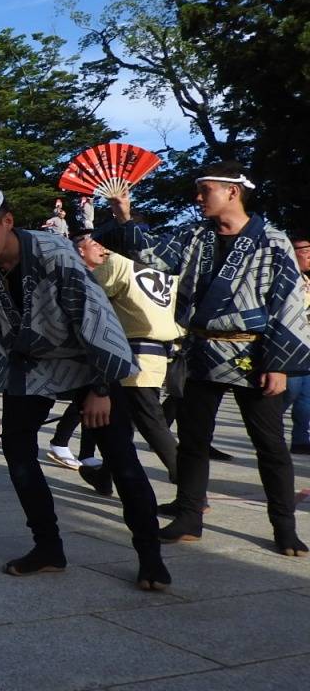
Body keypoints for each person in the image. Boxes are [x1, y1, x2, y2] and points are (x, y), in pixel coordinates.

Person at [0, 184, 169, 590]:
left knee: (120, 458)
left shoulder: (55, 253)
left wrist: (101, 388)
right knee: (17, 453)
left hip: (88, 359)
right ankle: (48, 547)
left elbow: (95, 318)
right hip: (30, 366)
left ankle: (150, 556)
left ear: (8, 222)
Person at [101, 162, 310, 556]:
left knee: (270, 444)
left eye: (205, 190)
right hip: (200, 348)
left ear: (233, 191)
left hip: (255, 352)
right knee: (193, 441)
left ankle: (284, 527)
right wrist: (124, 214)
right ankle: (189, 516)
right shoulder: (194, 234)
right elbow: (152, 258)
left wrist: (280, 362)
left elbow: (288, 305)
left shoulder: (273, 240)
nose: (198, 198)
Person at [73, 233, 182, 494]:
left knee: (151, 423)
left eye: (101, 242)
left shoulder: (118, 264)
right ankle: (104, 474)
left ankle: (190, 488)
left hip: (131, 354)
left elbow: (91, 304)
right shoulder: (165, 275)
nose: (101, 247)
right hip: (158, 353)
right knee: (120, 423)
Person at [286, 230, 310, 454]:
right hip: (291, 347)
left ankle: (301, 440)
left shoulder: (306, 280)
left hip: (307, 347)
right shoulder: (286, 278)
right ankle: (267, 430)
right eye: (306, 252)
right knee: (289, 393)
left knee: (306, 398)